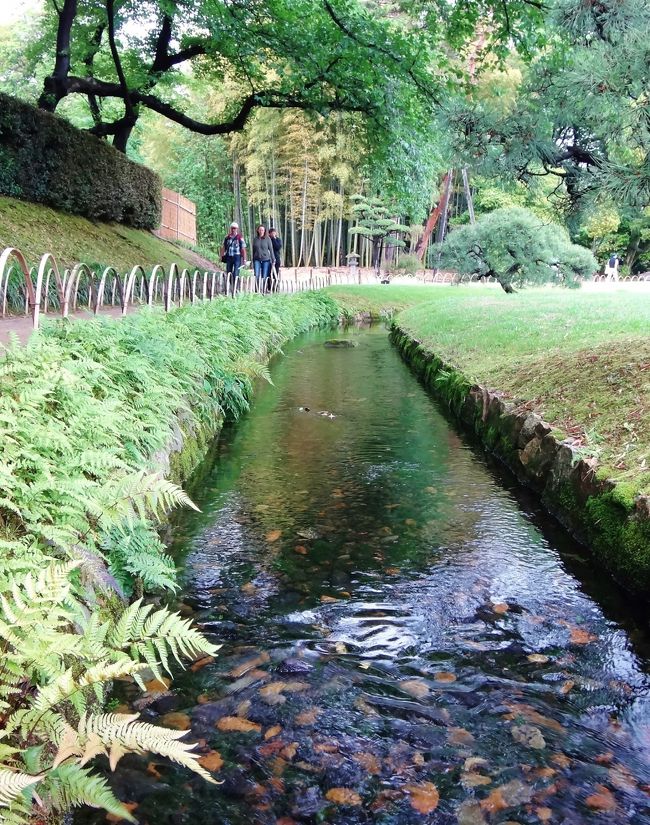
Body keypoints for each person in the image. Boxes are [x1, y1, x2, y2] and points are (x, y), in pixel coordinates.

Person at [221, 222, 247, 291]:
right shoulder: (227, 237)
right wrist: (222, 255)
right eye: (232, 228)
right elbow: (223, 247)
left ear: (237, 229)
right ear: (230, 229)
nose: (233, 230)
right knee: (228, 272)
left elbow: (243, 249)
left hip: (237, 257)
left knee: (236, 273)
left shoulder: (240, 238)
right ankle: (232, 286)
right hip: (229, 256)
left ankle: (236, 288)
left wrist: (244, 259)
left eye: (234, 228)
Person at [252, 224, 274, 292]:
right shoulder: (255, 239)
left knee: (264, 276)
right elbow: (253, 250)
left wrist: (273, 259)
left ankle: (264, 290)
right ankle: (257, 290)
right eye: (260, 230)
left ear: (264, 231)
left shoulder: (268, 239)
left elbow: (271, 249)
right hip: (257, 259)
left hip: (266, 259)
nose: (261, 231)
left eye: (262, 230)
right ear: (258, 231)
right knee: (257, 275)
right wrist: (253, 259)